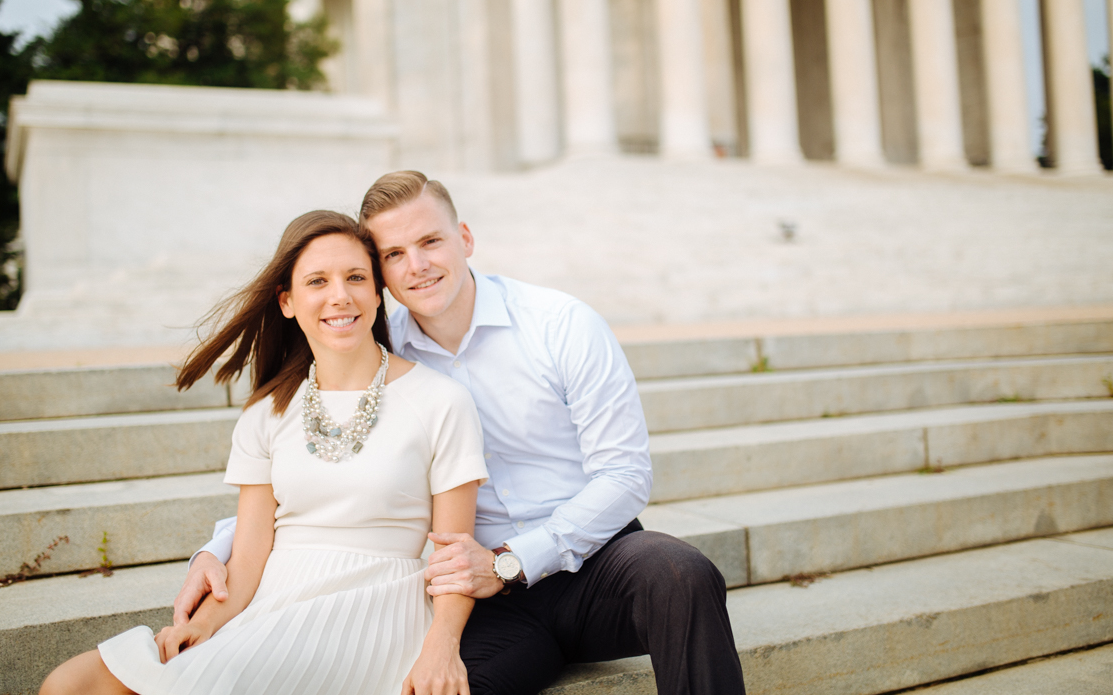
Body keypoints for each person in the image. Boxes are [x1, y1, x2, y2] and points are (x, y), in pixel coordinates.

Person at [179, 172, 747, 695]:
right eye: (394, 254)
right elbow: (323, 475)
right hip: (480, 603)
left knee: (681, 572)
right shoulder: (381, 353)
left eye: (431, 242)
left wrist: (512, 560)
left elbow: (625, 475)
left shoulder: (561, 325)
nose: (418, 265)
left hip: (592, 564)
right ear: (380, 274)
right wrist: (220, 547)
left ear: (465, 238)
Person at [40, 211, 489, 695]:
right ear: (288, 301)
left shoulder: (441, 401)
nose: (340, 295)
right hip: (275, 595)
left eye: (356, 277)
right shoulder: (266, 412)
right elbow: (251, 550)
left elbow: (454, 555)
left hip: (374, 604)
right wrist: (208, 621)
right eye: (318, 281)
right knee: (71, 683)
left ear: (378, 293)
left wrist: (442, 645)